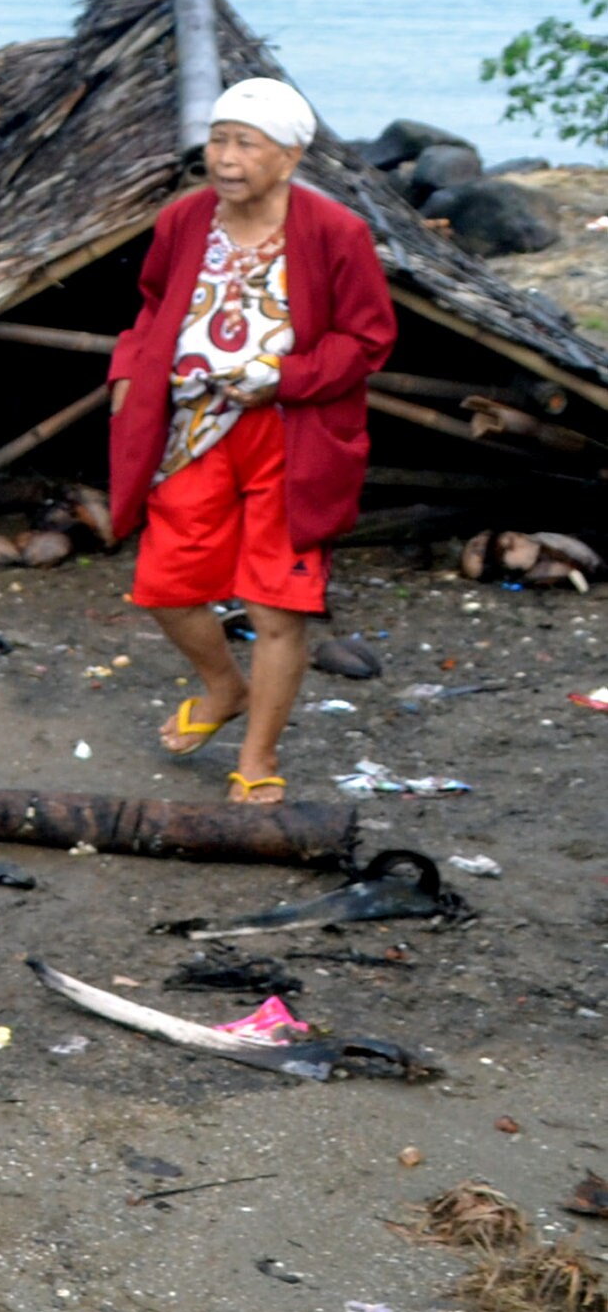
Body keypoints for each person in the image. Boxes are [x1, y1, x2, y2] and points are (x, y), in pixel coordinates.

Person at [106, 76, 393, 803]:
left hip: (294, 434)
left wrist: (284, 377)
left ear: (290, 157)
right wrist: (127, 375)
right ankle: (221, 687)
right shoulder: (183, 221)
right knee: (165, 586)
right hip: (193, 426)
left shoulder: (336, 233)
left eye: (245, 143)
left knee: (276, 605)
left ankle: (258, 758)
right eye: (218, 139)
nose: (225, 158)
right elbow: (150, 305)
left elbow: (367, 338)